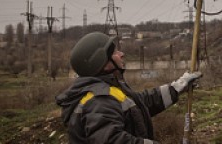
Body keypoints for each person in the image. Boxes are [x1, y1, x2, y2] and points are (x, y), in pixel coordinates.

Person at [56, 32, 202, 143]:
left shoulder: (110, 90)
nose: (121, 54)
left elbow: (141, 103)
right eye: (114, 52)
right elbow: (112, 140)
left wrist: (176, 88)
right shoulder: (98, 100)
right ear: (102, 61)